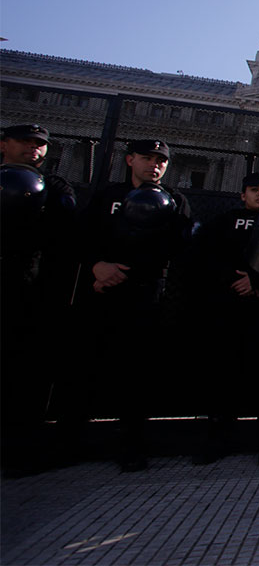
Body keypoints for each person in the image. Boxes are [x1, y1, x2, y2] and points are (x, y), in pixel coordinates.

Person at [68, 139, 192, 472]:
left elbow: (176, 245)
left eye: (161, 161)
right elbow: (83, 235)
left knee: (136, 372)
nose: (155, 165)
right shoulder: (108, 195)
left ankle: (132, 444)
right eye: (148, 158)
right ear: (130, 159)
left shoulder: (174, 201)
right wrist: (97, 266)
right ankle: (68, 441)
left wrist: (125, 272)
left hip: (143, 291)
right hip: (99, 289)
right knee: (83, 366)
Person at [190, 172, 259, 465]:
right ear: (242, 194)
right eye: (254, 190)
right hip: (229, 308)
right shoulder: (224, 222)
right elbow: (204, 256)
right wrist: (232, 279)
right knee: (224, 376)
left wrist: (257, 282)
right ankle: (218, 439)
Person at [0, 123, 77, 476]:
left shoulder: (55, 186)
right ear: (4, 144)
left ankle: (21, 449)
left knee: (27, 370)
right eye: (25, 142)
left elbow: (66, 229)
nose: (34, 149)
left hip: (31, 287)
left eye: (40, 144)